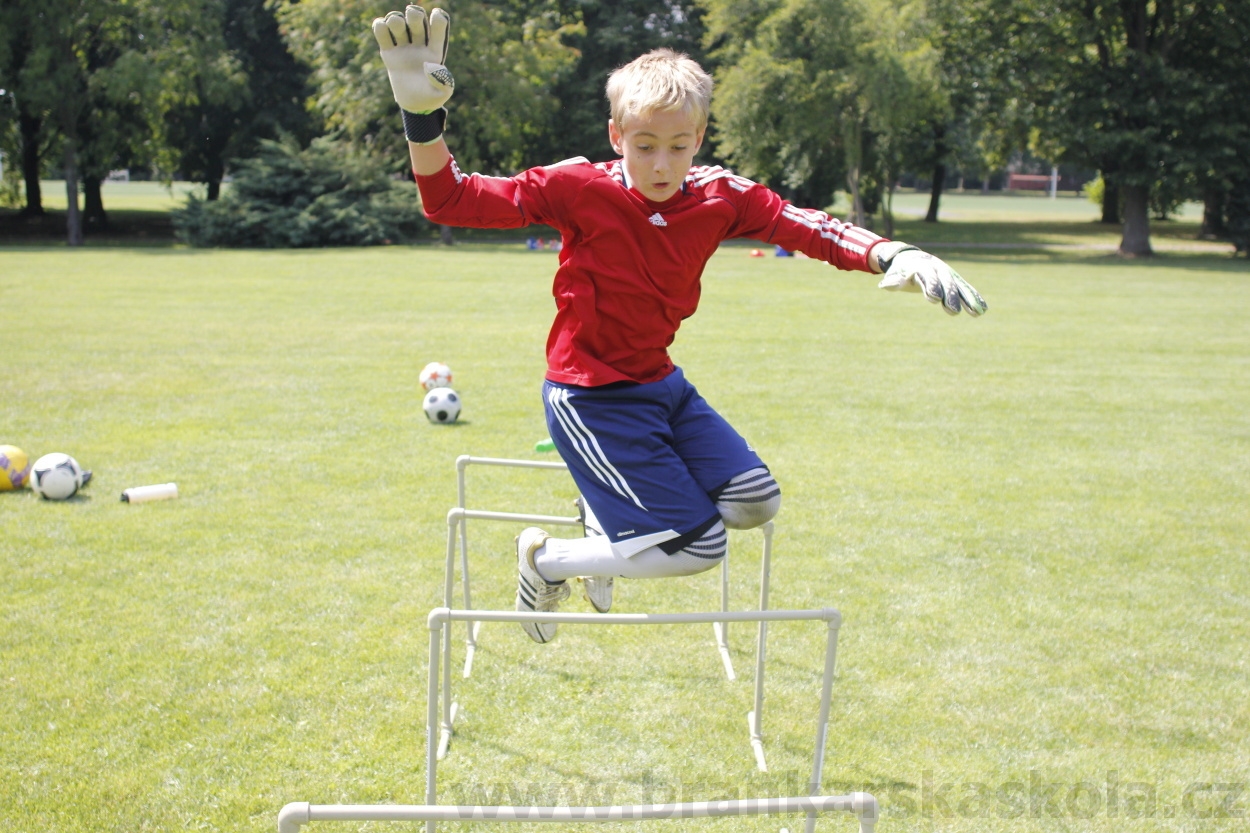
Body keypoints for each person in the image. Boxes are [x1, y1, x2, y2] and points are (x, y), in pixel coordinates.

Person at [372, 6, 987, 643]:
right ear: (616, 135)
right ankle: (545, 560)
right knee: (700, 547)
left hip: (661, 384)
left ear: (700, 137)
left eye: (678, 146)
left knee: (755, 503)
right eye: (645, 146)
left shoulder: (720, 195)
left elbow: (808, 226)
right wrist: (423, 122)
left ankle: (609, 524)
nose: (662, 163)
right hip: (591, 395)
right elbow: (450, 200)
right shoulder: (578, 186)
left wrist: (895, 253)